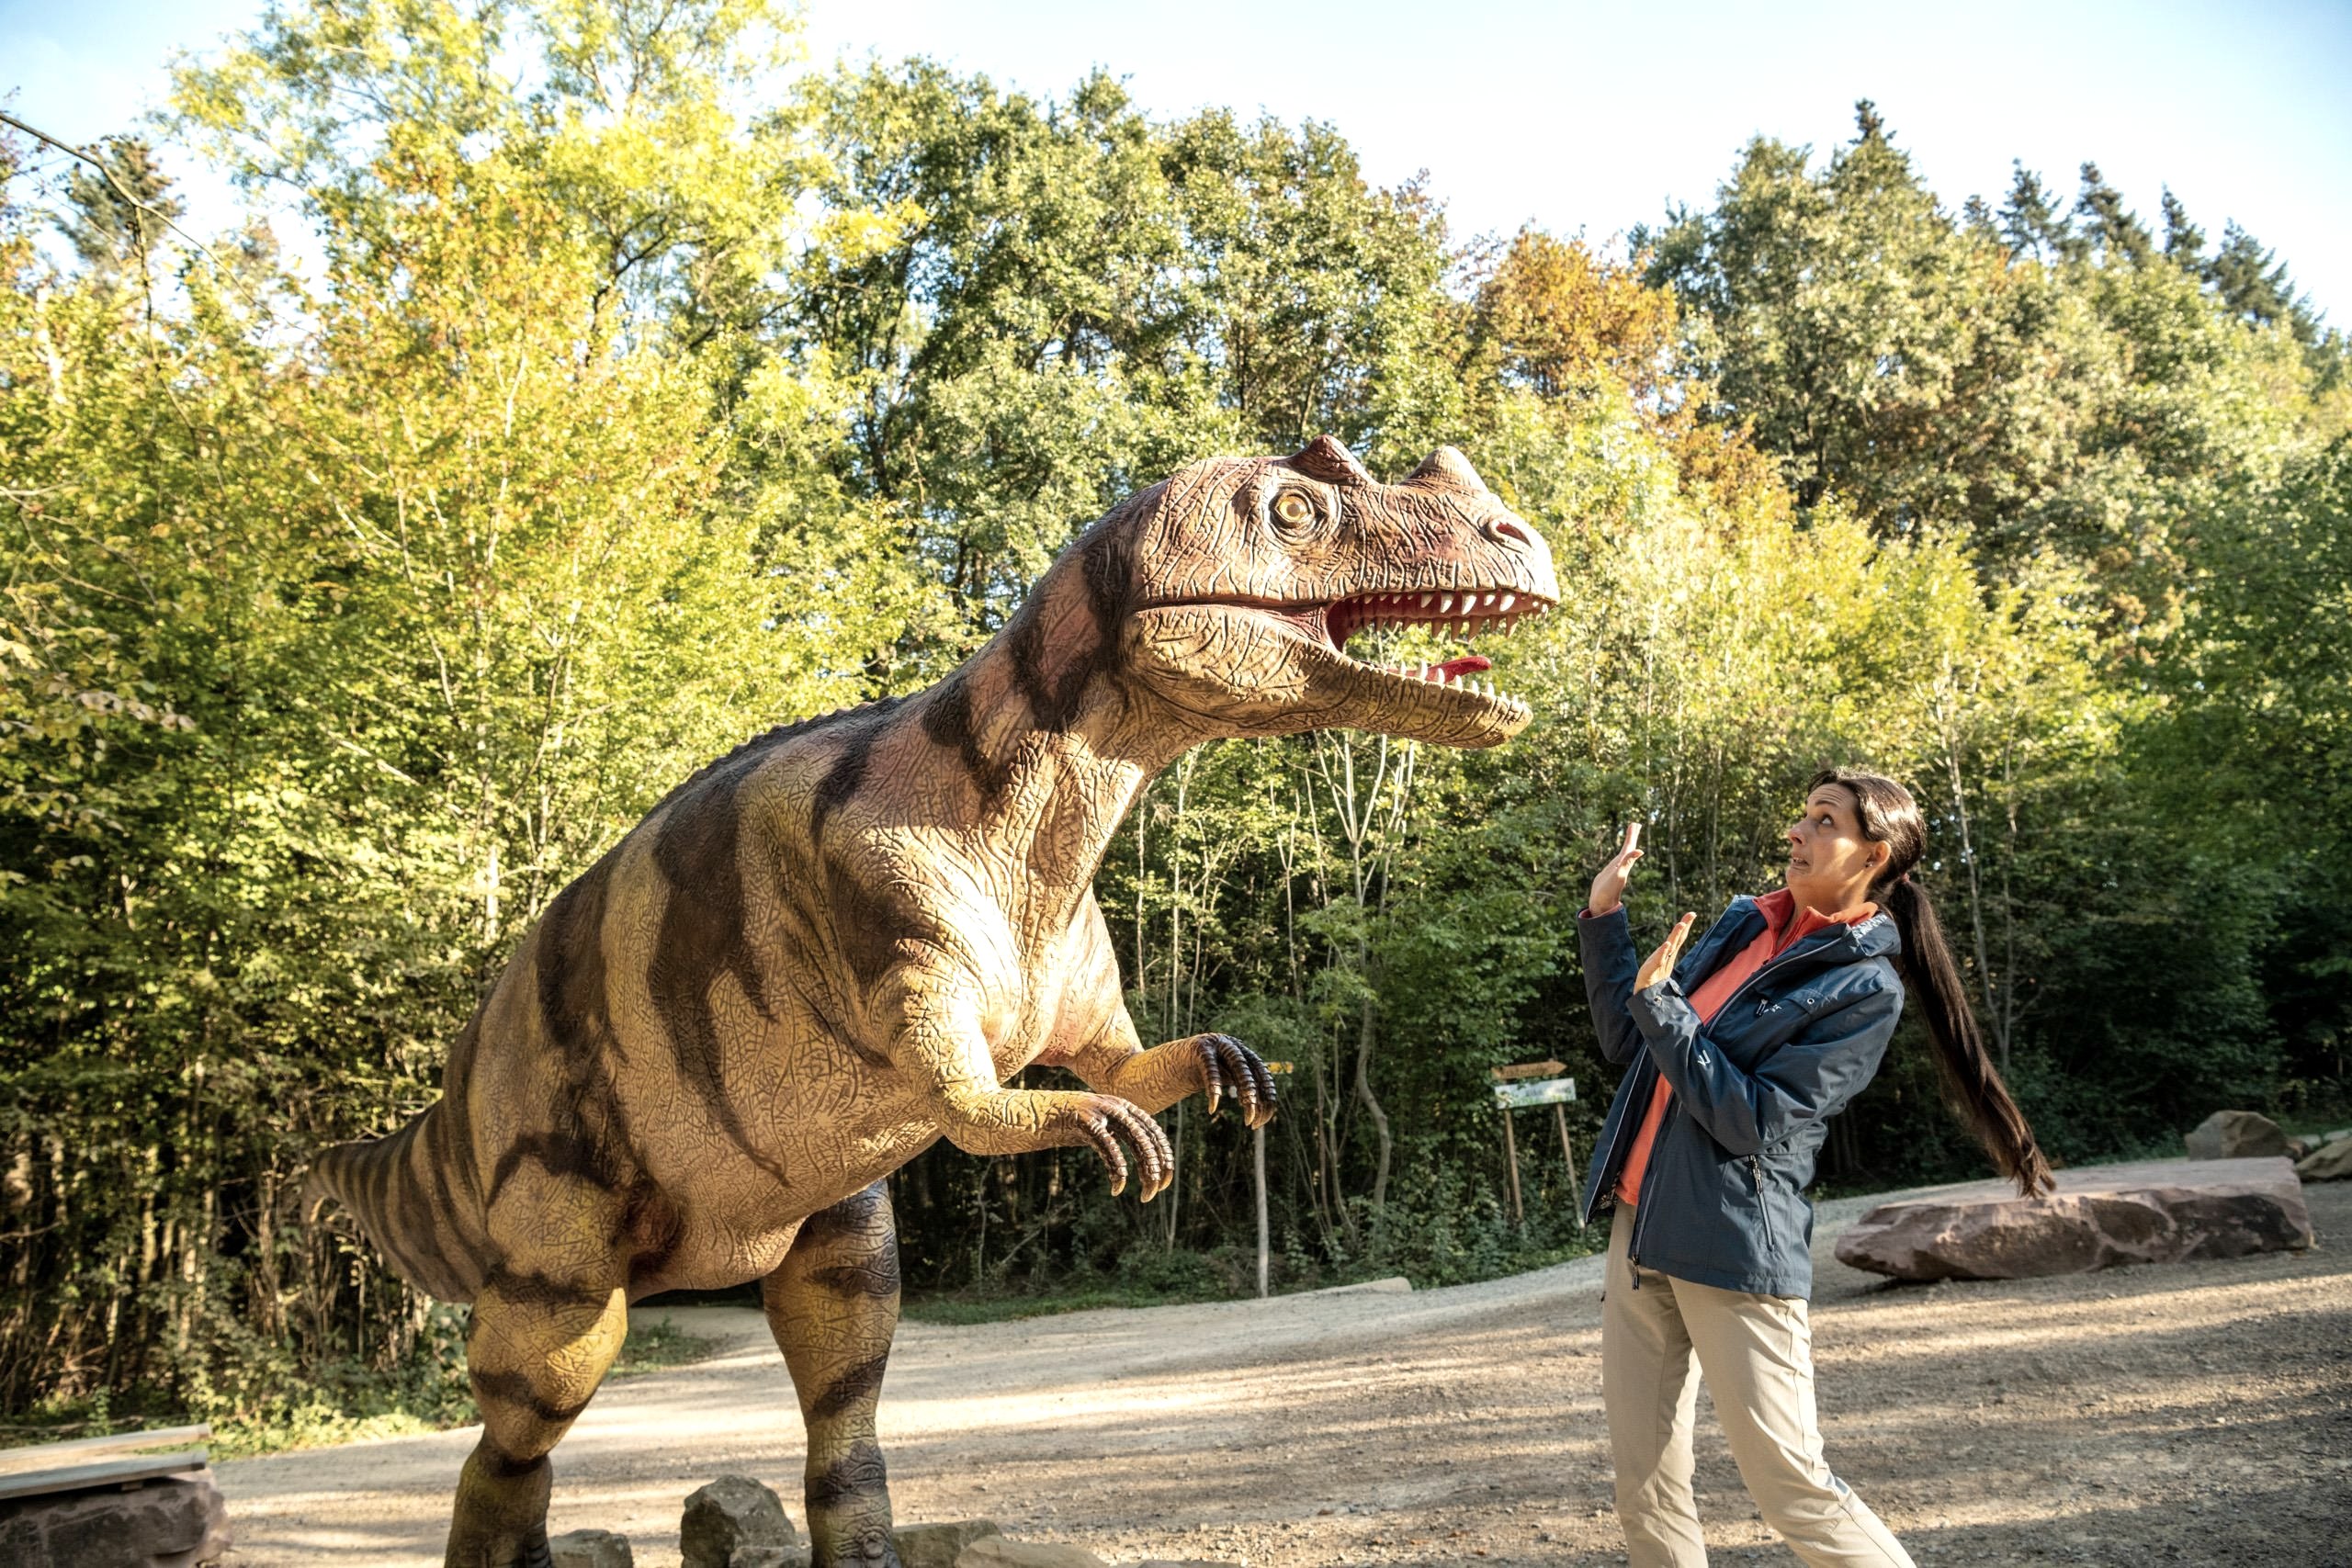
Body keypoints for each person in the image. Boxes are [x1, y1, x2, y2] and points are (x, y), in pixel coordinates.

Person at [1577, 767, 2052, 1568]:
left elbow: (1751, 1119)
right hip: (1640, 1227)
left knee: (1792, 1486)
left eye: (1825, 820)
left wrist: (1665, 1008)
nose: (1798, 831)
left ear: (1874, 854)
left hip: (1731, 1243)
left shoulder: (1862, 987)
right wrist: (1604, 919)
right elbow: (1634, 1044)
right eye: (1804, 815)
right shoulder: (1745, 923)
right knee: (1645, 1486)